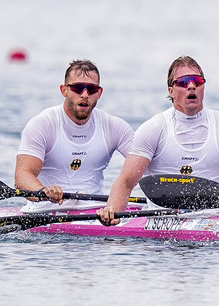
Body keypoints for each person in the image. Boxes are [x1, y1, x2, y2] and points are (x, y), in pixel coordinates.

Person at [97, 56, 219, 225]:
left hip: (212, 222)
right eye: (183, 82)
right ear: (171, 90)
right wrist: (113, 219)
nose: (191, 86)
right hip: (162, 223)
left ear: (203, 86)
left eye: (197, 81)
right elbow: (125, 183)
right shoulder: (153, 128)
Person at [15, 59, 134, 211]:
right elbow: (22, 176)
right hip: (45, 211)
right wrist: (42, 191)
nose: (84, 94)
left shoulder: (114, 127)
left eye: (91, 89)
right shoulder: (43, 124)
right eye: (78, 88)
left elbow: (144, 166)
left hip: (95, 212)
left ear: (99, 93)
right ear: (64, 90)